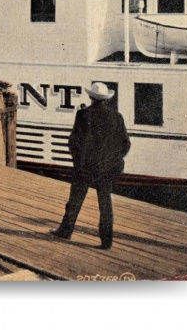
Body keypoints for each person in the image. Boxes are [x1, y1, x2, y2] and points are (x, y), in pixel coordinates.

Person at [50, 82, 131, 249]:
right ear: (106, 99)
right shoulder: (117, 116)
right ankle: (106, 241)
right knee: (105, 204)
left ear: (91, 97)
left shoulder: (83, 114)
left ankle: (66, 231)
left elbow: (73, 141)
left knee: (75, 201)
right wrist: (112, 159)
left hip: (85, 167)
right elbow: (125, 144)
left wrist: (78, 161)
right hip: (107, 168)